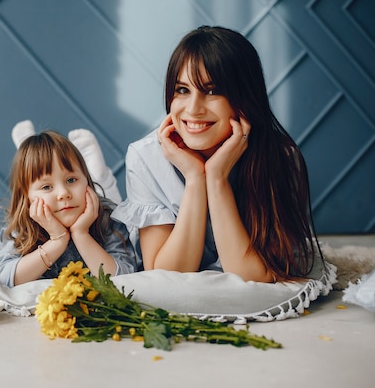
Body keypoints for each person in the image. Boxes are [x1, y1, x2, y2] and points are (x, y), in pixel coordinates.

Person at [112, 25, 322, 283]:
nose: (193, 109)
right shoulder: (145, 158)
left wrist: (216, 178)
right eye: (182, 90)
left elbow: (256, 279)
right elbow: (163, 277)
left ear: (244, 97)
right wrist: (195, 178)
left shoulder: (279, 158)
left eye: (212, 91)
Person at [0, 130, 140, 287]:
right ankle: (25, 140)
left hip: (97, 204)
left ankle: (98, 172)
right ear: (28, 198)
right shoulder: (22, 227)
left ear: (86, 180)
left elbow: (124, 277)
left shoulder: (108, 218)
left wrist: (81, 234)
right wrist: (57, 241)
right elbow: (6, 278)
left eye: (71, 180)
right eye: (46, 187)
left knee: (108, 192)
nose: (63, 193)